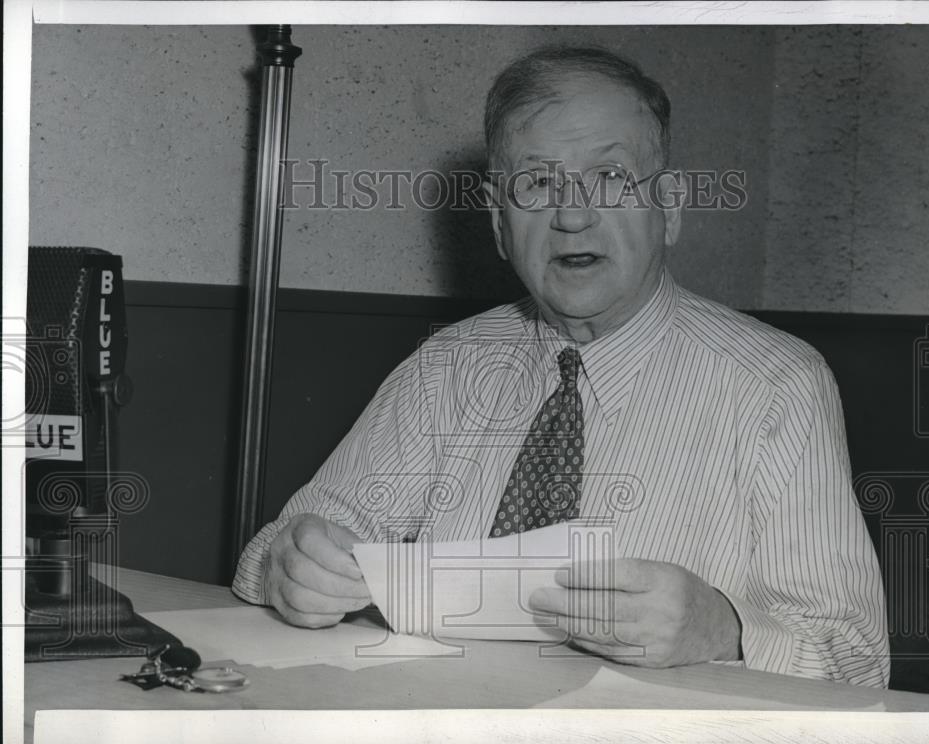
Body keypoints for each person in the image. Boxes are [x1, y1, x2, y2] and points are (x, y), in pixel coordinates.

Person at [233, 46, 890, 687]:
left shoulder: (777, 385)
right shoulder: (447, 367)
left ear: (672, 205)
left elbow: (859, 661)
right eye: (538, 182)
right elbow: (271, 555)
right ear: (497, 221)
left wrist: (727, 629)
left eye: (610, 177)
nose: (572, 216)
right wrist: (293, 567)